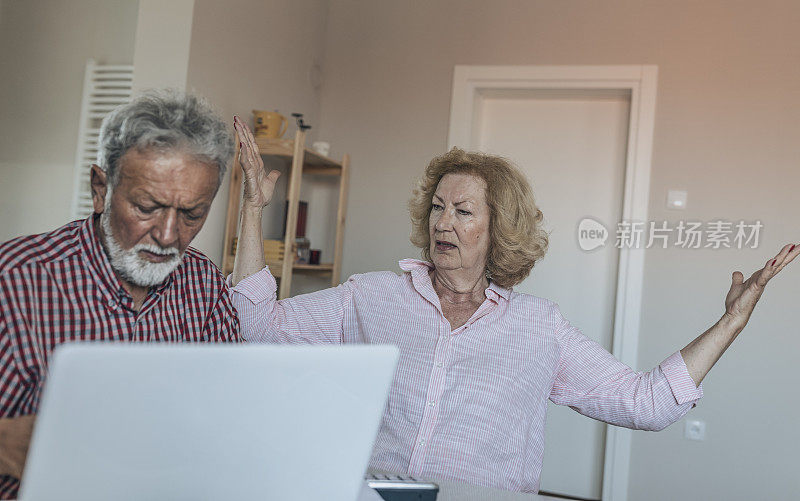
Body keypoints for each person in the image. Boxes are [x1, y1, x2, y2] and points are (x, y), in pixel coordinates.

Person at [229, 116, 796, 493]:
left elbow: (647, 402)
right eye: (437, 207)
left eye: (463, 211)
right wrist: (253, 210)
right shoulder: (373, 297)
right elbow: (258, 328)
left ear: (499, 228)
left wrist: (730, 323)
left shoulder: (539, 330)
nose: (443, 222)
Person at [0, 91, 241, 499]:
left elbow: (232, 412)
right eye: (147, 206)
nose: (168, 236)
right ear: (100, 188)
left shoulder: (205, 283)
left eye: (191, 214)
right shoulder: (16, 280)